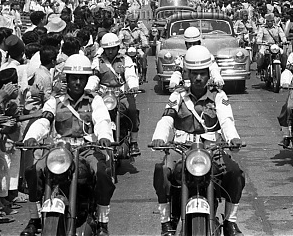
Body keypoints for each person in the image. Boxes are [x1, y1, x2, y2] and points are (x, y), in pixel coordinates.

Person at [149, 45, 245, 236]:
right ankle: (166, 220)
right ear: (188, 74)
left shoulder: (219, 96)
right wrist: (159, 138)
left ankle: (230, 221)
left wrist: (233, 137)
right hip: (181, 148)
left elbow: (226, 120)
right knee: (162, 171)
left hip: (212, 148)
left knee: (235, 173)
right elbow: (167, 118)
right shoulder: (178, 96)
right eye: (194, 74)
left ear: (209, 73)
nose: (199, 78)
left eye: (202, 73)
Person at [22, 54, 115, 236]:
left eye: (81, 78)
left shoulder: (94, 100)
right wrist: (32, 137)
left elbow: (102, 119)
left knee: (102, 173)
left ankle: (103, 222)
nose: (78, 82)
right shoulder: (55, 101)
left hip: (86, 149)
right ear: (67, 79)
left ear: (87, 80)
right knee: (33, 171)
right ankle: (33, 218)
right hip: (59, 150)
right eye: (74, 78)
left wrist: (104, 136)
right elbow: (44, 120)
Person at [90, 32, 141, 156]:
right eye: (108, 49)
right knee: (95, 113)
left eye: (113, 49)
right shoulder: (98, 61)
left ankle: (134, 142)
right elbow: (94, 77)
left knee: (132, 110)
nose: (110, 52)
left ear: (118, 48)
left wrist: (133, 86)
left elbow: (130, 75)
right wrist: (89, 88)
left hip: (122, 93)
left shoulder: (125, 59)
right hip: (104, 95)